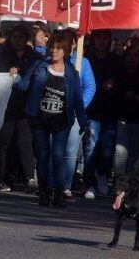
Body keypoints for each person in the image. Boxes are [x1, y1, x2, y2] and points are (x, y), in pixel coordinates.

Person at [14, 32, 88, 208]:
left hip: (61, 120)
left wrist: (84, 122)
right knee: (42, 155)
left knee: (58, 156)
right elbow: (22, 85)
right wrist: (13, 76)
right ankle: (44, 192)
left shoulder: (72, 74)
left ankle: (58, 193)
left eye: (59, 48)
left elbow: (77, 99)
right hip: (39, 118)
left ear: (66, 51)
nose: (54, 51)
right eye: (52, 47)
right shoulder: (39, 66)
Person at [0, 23, 42, 194]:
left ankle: (29, 178)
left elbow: (31, 80)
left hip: (25, 106)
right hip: (6, 104)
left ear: (27, 40)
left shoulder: (34, 57)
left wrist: (18, 76)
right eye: (15, 37)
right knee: (4, 141)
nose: (18, 41)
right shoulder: (2, 52)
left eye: (21, 37)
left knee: (25, 142)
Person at [83, 29, 121, 199]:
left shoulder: (115, 60)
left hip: (110, 111)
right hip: (91, 111)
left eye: (105, 38)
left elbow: (122, 81)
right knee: (90, 148)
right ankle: (90, 183)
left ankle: (102, 174)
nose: (102, 41)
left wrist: (114, 85)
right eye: (99, 37)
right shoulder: (86, 59)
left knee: (107, 149)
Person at [59, 29, 96, 200]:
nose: (67, 45)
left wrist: (79, 107)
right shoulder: (54, 60)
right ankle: (52, 184)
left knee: (70, 151)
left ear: (75, 43)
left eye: (69, 41)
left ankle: (65, 185)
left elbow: (90, 87)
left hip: (74, 114)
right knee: (54, 149)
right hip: (55, 111)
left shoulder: (83, 62)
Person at [113, 38, 139, 177]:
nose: (132, 58)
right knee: (120, 153)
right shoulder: (119, 75)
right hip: (122, 119)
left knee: (136, 155)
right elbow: (115, 93)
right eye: (130, 55)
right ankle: (119, 182)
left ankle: (132, 183)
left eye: (136, 55)